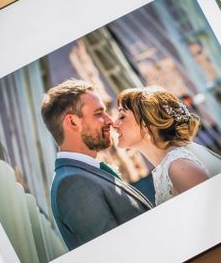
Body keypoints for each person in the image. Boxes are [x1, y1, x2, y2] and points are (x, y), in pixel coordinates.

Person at [41, 79, 152, 250]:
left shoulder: (84, 173)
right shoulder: (73, 185)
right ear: (72, 122)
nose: (110, 121)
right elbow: (117, 256)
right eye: (99, 113)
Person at [114, 87, 221, 206]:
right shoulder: (167, 169)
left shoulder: (179, 167)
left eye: (122, 116)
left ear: (146, 123)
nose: (114, 124)